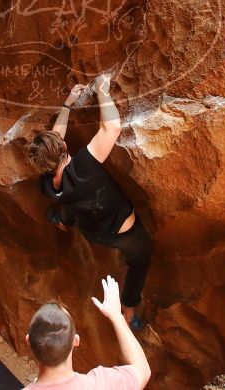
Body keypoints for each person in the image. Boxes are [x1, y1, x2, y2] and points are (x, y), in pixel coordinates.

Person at [27, 73, 153, 327]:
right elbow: (112, 128)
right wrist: (102, 90)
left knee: (67, 208)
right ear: (64, 149)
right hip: (123, 231)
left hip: (92, 231)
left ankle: (62, 222)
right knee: (141, 260)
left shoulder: (46, 183)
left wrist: (68, 104)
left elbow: (55, 139)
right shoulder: (83, 165)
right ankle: (128, 310)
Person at [23, 275, 151, 389]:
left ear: (28, 340)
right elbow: (142, 370)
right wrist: (116, 316)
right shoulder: (103, 384)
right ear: (76, 341)